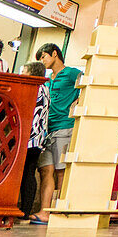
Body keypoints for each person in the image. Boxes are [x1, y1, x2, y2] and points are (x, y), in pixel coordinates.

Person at [35, 43, 81, 224]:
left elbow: (89, 84)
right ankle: (44, 211)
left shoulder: (71, 73)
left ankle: (59, 211)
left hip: (65, 127)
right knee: (46, 170)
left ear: (55, 54)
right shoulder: (48, 79)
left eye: (44, 56)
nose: (42, 61)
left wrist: (77, 102)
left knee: (61, 172)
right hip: (47, 130)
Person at [19, 60, 48, 224]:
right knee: (29, 173)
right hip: (38, 138)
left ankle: (23, 210)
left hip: (29, 137)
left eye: (25, 71)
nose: (22, 74)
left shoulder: (34, 88)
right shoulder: (45, 88)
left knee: (24, 173)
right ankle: (25, 210)